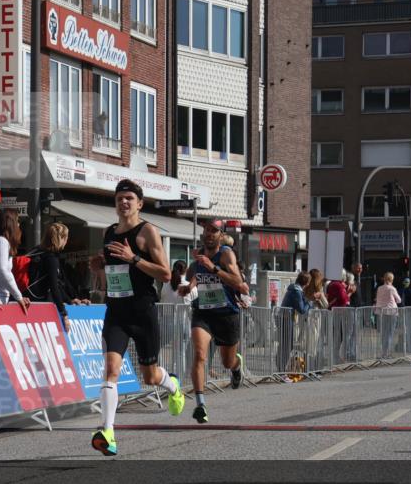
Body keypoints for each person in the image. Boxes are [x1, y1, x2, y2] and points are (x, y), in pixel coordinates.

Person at [90, 180, 182, 456]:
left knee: (150, 377)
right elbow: (110, 278)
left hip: (142, 310)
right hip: (116, 309)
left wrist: (133, 258)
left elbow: (165, 274)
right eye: (119, 198)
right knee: (110, 371)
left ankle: (172, 384)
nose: (124, 202)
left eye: (129, 198)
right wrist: (99, 269)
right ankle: (108, 432)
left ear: (139, 203)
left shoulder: (147, 232)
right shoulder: (108, 233)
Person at [178, 218, 249, 422]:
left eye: (214, 231)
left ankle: (236, 366)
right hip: (204, 312)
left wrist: (214, 268)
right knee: (199, 354)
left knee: (227, 362)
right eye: (207, 230)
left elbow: (240, 285)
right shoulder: (198, 255)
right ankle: (200, 405)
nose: (209, 234)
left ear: (221, 235)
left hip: (226, 314)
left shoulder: (226, 254)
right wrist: (188, 287)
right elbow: (196, 275)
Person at [25, 222, 75, 327]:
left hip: (29, 300)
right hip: (41, 305)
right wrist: (64, 314)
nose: (66, 242)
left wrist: (70, 300)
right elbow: (54, 287)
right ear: (61, 238)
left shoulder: (38, 251)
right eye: (66, 238)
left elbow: (59, 283)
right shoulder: (51, 259)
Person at [0, 208, 30, 313]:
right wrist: (19, 296)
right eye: (17, 221)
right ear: (10, 223)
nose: (18, 225)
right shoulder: (1, 241)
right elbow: (3, 272)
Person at [277, 271, 311, 380]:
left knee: (286, 345)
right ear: (306, 282)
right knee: (286, 346)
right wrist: (309, 303)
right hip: (286, 319)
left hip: (285, 318)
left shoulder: (294, 289)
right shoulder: (296, 291)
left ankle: (281, 370)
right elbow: (301, 310)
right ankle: (281, 372)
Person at [375, 272, 402, 359]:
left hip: (381, 312)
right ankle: (387, 353)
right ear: (391, 279)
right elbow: (399, 300)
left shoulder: (379, 288)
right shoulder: (392, 288)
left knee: (383, 333)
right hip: (391, 312)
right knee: (389, 333)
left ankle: (383, 352)